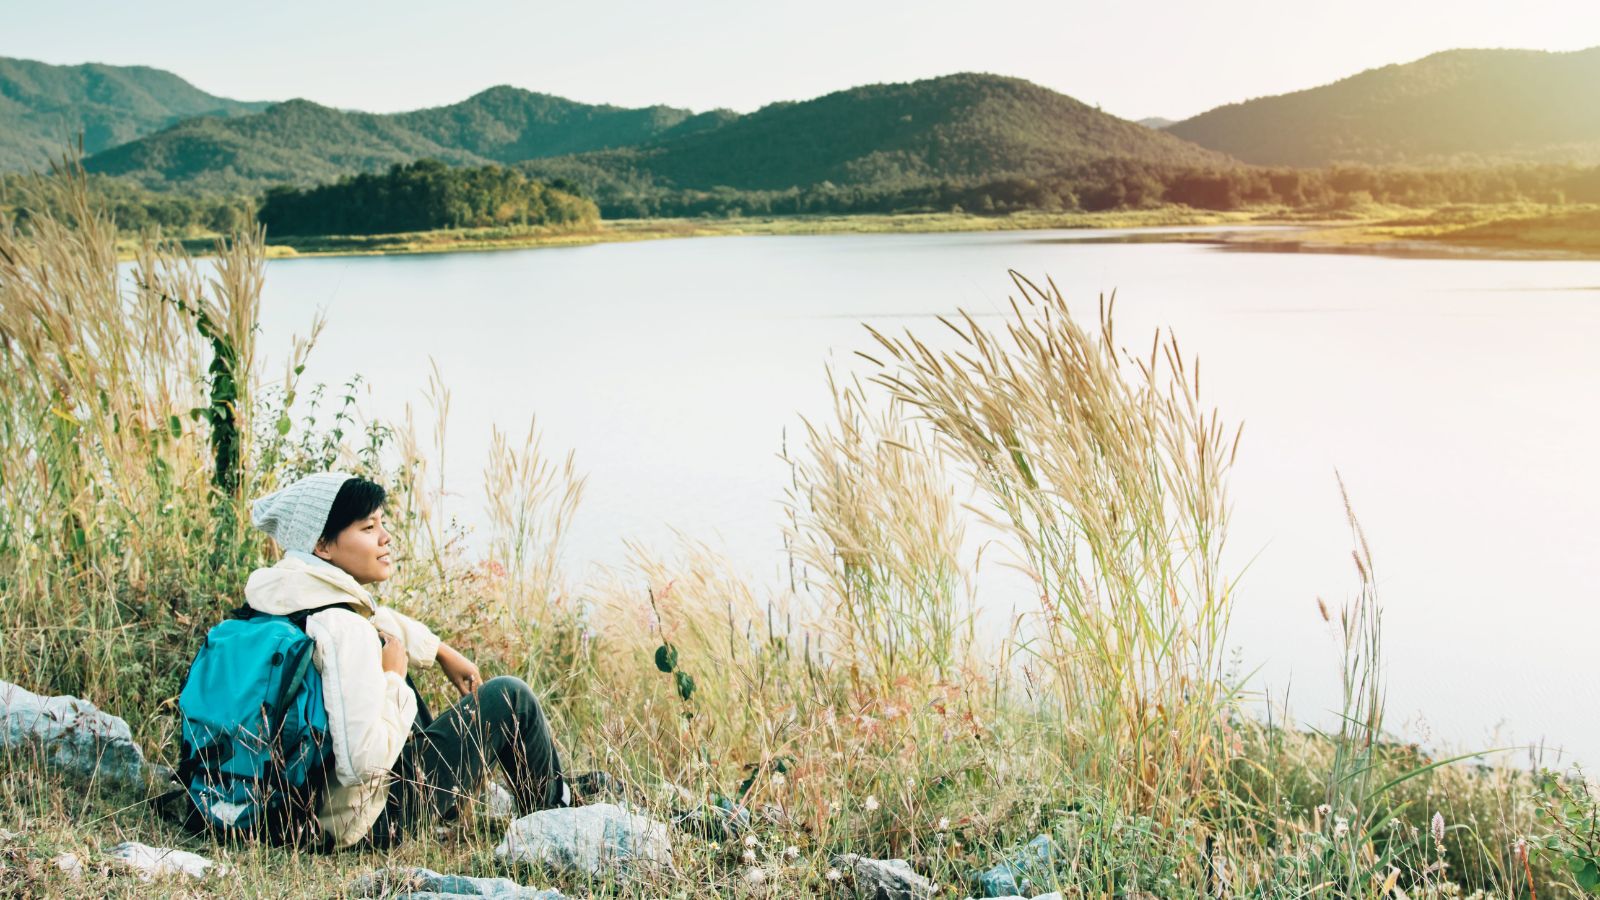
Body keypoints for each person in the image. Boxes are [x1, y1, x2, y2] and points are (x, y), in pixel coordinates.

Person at [246, 471, 570, 849]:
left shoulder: (281, 603)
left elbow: (377, 619)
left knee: (387, 640)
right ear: (323, 544)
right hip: (362, 824)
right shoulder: (344, 631)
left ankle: (475, 805)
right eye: (369, 528)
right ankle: (555, 821)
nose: (386, 539)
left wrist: (442, 652)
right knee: (511, 697)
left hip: (291, 813)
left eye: (383, 524)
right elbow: (361, 765)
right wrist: (393, 680)